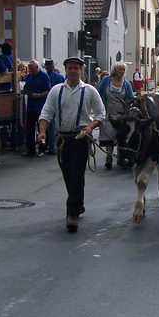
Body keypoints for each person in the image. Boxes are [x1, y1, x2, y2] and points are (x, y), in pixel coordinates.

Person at [37, 57, 105, 232]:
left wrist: (90, 127)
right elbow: (46, 113)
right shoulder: (56, 90)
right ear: (65, 70)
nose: (73, 71)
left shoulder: (90, 90)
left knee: (76, 175)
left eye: (76, 68)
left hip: (80, 138)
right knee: (68, 175)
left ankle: (72, 214)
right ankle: (78, 204)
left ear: (81, 70)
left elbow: (100, 114)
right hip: (62, 140)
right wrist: (43, 132)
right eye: (70, 68)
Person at [96, 62, 133, 168]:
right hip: (108, 113)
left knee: (121, 136)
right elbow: (98, 94)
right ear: (115, 70)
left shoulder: (126, 84)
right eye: (120, 69)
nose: (122, 72)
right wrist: (100, 109)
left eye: (123, 70)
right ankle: (109, 157)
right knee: (109, 135)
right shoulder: (106, 80)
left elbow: (130, 98)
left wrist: (128, 110)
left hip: (121, 115)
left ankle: (121, 157)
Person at [22, 60, 52, 157]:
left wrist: (39, 95)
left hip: (40, 106)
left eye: (31, 68)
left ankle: (42, 149)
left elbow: (48, 90)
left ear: (37, 67)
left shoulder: (43, 76)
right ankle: (30, 150)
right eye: (29, 68)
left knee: (41, 129)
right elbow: (26, 87)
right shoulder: (30, 76)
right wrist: (25, 92)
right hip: (31, 106)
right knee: (30, 129)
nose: (30, 70)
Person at [44, 59, 66, 155]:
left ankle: (49, 146)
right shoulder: (60, 77)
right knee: (55, 125)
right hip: (58, 101)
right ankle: (53, 147)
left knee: (48, 125)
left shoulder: (45, 76)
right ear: (53, 66)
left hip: (45, 101)